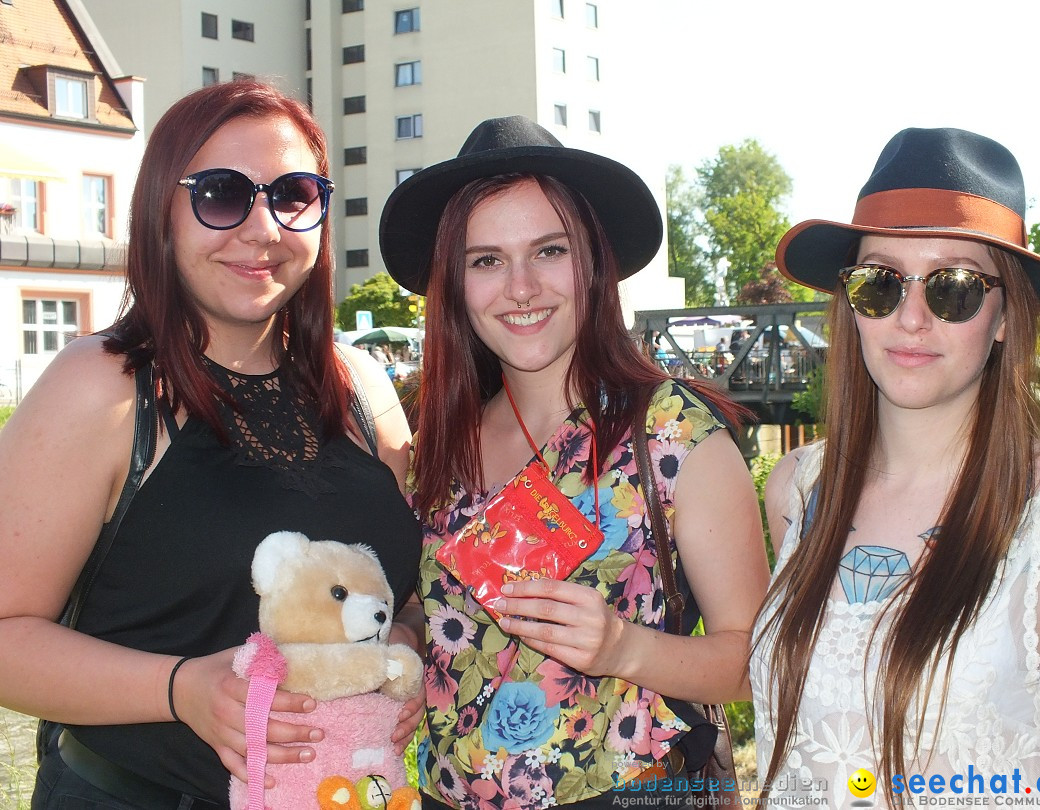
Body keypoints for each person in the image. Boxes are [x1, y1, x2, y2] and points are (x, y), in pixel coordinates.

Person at [0, 80, 423, 809]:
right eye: (222, 194)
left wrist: (406, 644)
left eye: (292, 194)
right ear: (161, 210)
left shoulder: (359, 386)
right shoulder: (102, 386)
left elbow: (400, 589)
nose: (262, 229)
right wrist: (181, 689)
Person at [379, 115, 770, 809]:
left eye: (549, 251)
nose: (521, 287)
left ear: (593, 262)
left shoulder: (673, 435)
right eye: (486, 260)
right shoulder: (435, 441)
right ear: (455, 284)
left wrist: (624, 647)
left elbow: (758, 662)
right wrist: (404, 643)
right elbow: (424, 601)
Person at [751, 128, 1040, 807]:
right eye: (879, 284)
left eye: (954, 288)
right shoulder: (796, 490)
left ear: (1003, 319)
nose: (910, 318)